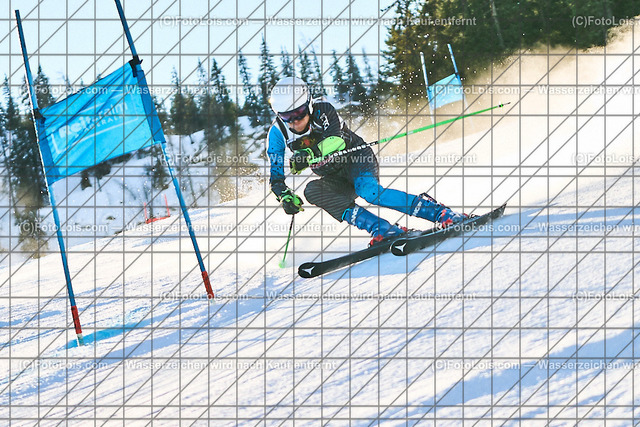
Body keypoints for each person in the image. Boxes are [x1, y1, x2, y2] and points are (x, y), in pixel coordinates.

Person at [266, 76, 467, 246]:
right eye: (286, 116)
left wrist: (309, 154)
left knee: (369, 192)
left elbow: (336, 140)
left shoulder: (323, 110)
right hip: (334, 177)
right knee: (312, 190)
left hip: (357, 160)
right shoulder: (277, 134)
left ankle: (441, 213)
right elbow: (276, 177)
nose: (295, 121)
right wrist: (284, 196)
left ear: (308, 103)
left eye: (299, 113)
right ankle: (382, 229)